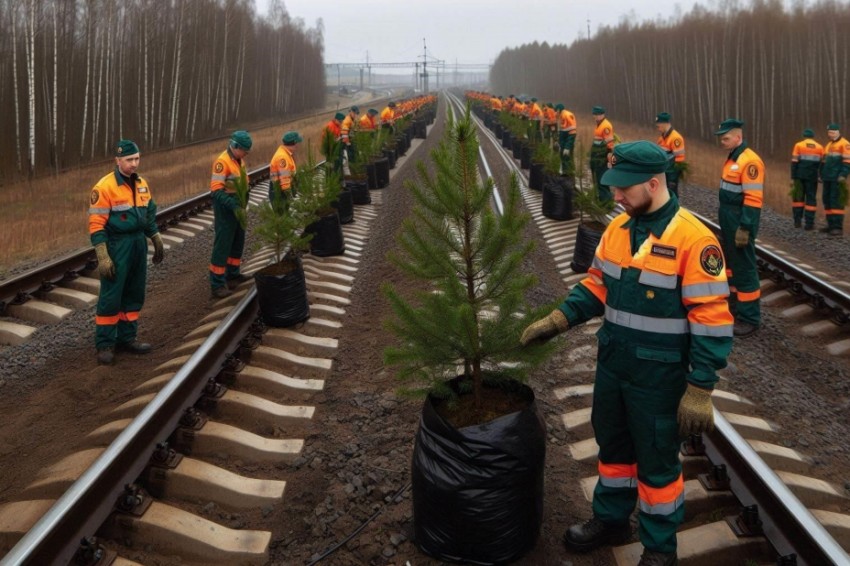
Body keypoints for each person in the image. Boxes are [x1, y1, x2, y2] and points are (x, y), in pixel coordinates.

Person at [520, 141, 733, 566]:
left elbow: (712, 318)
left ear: (654, 184)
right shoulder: (618, 230)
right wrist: (558, 319)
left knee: (656, 467)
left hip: (659, 379)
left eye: (624, 189)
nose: (616, 197)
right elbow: (597, 285)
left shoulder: (695, 240)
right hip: (613, 367)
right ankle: (612, 519)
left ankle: (658, 550)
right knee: (613, 450)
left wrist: (701, 387)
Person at [88, 139, 164, 365]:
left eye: (137, 159)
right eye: (129, 160)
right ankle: (105, 344)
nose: (134, 164)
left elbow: (148, 214)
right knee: (112, 295)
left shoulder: (142, 184)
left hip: (138, 244)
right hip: (117, 245)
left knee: (134, 292)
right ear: (117, 160)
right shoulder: (104, 187)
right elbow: (96, 224)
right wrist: (102, 254)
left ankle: (127, 338)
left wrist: (155, 236)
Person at [715, 118, 764, 337]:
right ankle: (735, 306)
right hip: (729, 217)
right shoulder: (732, 158)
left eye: (725, 138)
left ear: (738, 137)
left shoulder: (749, 161)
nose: (722, 142)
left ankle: (749, 318)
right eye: (721, 138)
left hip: (740, 219)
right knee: (732, 264)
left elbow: (753, 200)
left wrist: (745, 227)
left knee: (744, 266)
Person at [209, 130, 252, 299]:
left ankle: (233, 274)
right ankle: (217, 284)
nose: (246, 154)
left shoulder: (238, 159)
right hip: (226, 209)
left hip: (238, 206)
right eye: (244, 150)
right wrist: (233, 205)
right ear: (235, 146)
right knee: (223, 245)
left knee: (237, 241)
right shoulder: (222, 162)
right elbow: (216, 190)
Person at [790, 128, 824, 230]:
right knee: (811, 199)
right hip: (812, 177)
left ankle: (797, 222)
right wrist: (820, 176)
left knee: (798, 199)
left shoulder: (798, 145)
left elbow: (794, 162)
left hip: (799, 177)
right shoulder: (820, 147)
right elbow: (822, 164)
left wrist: (793, 177)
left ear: (804, 136)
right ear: (813, 136)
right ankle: (809, 224)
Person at [820, 123, 850, 236]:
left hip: (837, 178)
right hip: (827, 177)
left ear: (837, 132)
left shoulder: (845, 144)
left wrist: (843, 175)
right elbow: (824, 162)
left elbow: (847, 162)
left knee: (836, 201)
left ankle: (837, 227)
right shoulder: (828, 145)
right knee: (826, 200)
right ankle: (830, 225)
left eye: (832, 132)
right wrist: (821, 174)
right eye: (829, 132)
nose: (830, 134)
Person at [655, 112, 686, 198]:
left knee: (671, 192)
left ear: (664, 124)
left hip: (673, 169)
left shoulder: (676, 138)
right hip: (665, 168)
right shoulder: (661, 138)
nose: (658, 128)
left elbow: (678, 157)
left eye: (658, 126)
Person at [269, 131, 302, 204]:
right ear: (294, 143)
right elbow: (284, 180)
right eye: (297, 143)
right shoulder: (282, 157)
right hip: (279, 193)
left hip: (280, 190)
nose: (298, 145)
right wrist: (290, 198)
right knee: (283, 214)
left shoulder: (285, 153)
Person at [591, 106, 615, 202]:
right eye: (594, 115)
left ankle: (606, 201)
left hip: (602, 155)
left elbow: (609, 142)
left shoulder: (606, 126)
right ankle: (602, 198)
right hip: (597, 154)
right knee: (598, 177)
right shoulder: (599, 124)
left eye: (596, 115)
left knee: (602, 178)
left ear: (602, 115)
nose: (594, 117)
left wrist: (607, 156)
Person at [556, 103, 577, 177]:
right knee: (564, 157)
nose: (555, 113)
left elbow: (572, 132)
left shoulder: (567, 115)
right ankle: (565, 172)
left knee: (567, 158)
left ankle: (568, 174)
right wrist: (559, 142)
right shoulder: (562, 116)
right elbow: (563, 131)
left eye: (556, 111)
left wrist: (567, 147)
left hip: (567, 143)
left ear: (558, 110)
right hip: (564, 143)